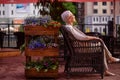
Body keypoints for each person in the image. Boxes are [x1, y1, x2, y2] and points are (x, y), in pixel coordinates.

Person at [61, 10, 120, 76]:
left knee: (101, 44)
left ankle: (107, 64)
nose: (74, 16)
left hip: (80, 46)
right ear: (69, 18)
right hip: (82, 48)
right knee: (101, 45)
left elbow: (82, 37)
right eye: (72, 15)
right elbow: (82, 38)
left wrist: (93, 38)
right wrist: (95, 38)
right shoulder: (70, 28)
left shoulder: (69, 27)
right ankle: (108, 63)